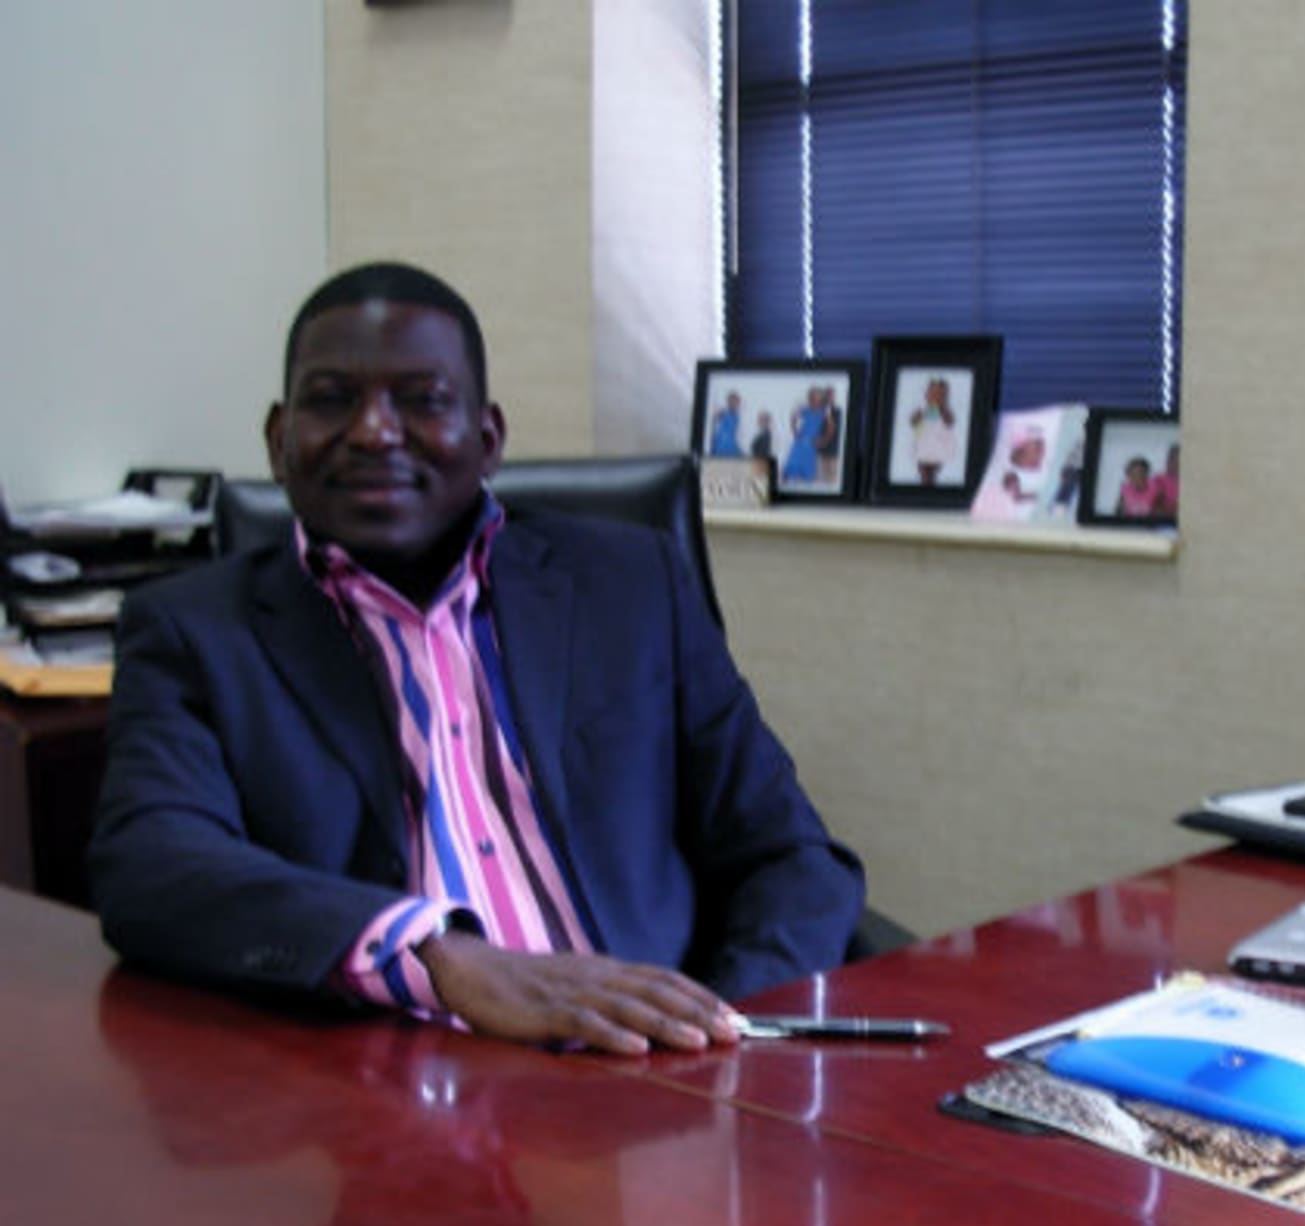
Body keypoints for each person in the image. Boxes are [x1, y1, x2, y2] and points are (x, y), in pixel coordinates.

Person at [88, 262, 865, 1057]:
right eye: (332, 400)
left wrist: (714, 1033)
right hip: (396, 1094)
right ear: (278, 440)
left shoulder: (630, 586)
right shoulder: (192, 630)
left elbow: (790, 855)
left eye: (422, 399)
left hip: (653, 1089)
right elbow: (151, 863)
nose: (374, 431)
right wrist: (435, 954)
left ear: (488, 438)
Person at [908, 376, 957, 484]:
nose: (935, 398)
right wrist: (918, 417)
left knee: (932, 468)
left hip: (938, 447)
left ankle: (931, 480)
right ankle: (925, 480)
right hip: (923, 446)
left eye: (940, 396)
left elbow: (950, 421)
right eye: (932, 394)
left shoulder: (944, 412)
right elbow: (913, 422)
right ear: (926, 395)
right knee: (923, 467)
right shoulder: (922, 411)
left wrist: (943, 409)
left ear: (945, 398)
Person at [708, 391, 743, 457]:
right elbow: (714, 419)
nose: (734, 404)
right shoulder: (724, 412)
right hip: (722, 441)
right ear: (728, 402)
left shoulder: (736, 415)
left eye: (736, 402)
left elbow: (735, 432)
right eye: (732, 401)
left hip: (730, 442)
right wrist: (716, 414)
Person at [1149, 443, 1179, 519]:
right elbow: (1153, 505)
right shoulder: (1158, 479)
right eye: (1171, 458)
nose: (1174, 463)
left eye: (1177, 459)